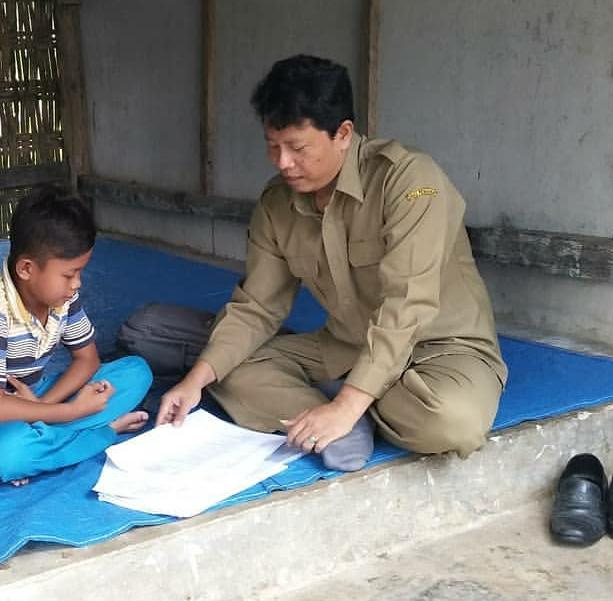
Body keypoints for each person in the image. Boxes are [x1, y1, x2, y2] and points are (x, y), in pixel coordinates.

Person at [155, 54, 507, 471]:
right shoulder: (277, 204)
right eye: (273, 146)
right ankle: (351, 415)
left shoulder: (410, 182)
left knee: (452, 424)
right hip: (347, 346)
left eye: (298, 148)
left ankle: (346, 407)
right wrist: (193, 383)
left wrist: (347, 402)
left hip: (440, 349)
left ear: (342, 133)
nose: (282, 162)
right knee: (228, 373)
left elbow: (407, 304)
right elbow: (257, 306)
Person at [0, 184, 152, 485]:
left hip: (34, 395)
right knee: (6, 454)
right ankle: (104, 431)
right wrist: (71, 410)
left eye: (80, 272)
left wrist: (44, 407)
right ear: (26, 269)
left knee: (136, 371)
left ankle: (46, 436)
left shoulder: (62, 297)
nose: (77, 284)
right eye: (68, 274)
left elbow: (87, 359)